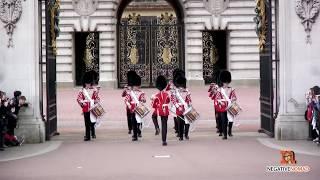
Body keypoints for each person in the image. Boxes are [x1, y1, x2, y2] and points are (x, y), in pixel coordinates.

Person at [211, 70, 237, 139]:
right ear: (222, 82)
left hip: (230, 106)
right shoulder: (219, 90)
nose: (226, 84)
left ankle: (230, 131)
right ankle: (225, 135)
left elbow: (234, 97)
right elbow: (217, 98)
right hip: (223, 107)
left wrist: (233, 100)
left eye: (227, 82)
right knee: (224, 120)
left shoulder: (231, 89)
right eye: (225, 82)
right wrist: (220, 102)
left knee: (231, 120)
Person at [77, 73, 100, 141]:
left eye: (89, 83)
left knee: (92, 122)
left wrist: (96, 100)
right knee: (87, 123)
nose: (88, 85)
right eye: (87, 83)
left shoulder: (94, 90)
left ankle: (93, 133)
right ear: (85, 83)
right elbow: (78, 99)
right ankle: (87, 136)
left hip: (92, 108)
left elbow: (98, 98)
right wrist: (82, 103)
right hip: (86, 109)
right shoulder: (82, 91)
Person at [125, 74, 146, 141]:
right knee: (134, 122)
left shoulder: (141, 92)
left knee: (139, 122)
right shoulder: (130, 93)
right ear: (133, 85)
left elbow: (143, 99)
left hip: (139, 108)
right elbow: (126, 100)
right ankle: (135, 135)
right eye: (135, 86)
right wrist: (128, 104)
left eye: (137, 86)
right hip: (133, 109)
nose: (137, 87)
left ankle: (139, 132)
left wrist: (143, 100)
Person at [171, 75, 192, 141]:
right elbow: (173, 100)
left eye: (182, 86)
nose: (181, 88)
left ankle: (186, 134)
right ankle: (180, 136)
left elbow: (189, 99)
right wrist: (178, 107)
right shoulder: (175, 92)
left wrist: (189, 104)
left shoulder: (187, 91)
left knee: (187, 122)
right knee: (180, 122)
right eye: (180, 86)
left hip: (186, 107)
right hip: (179, 108)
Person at [152, 75, 170, 146]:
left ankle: (157, 127)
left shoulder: (156, 95)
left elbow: (153, 105)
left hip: (159, 110)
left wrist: (153, 100)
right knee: (164, 125)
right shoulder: (167, 94)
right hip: (165, 110)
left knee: (153, 116)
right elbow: (168, 101)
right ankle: (164, 141)